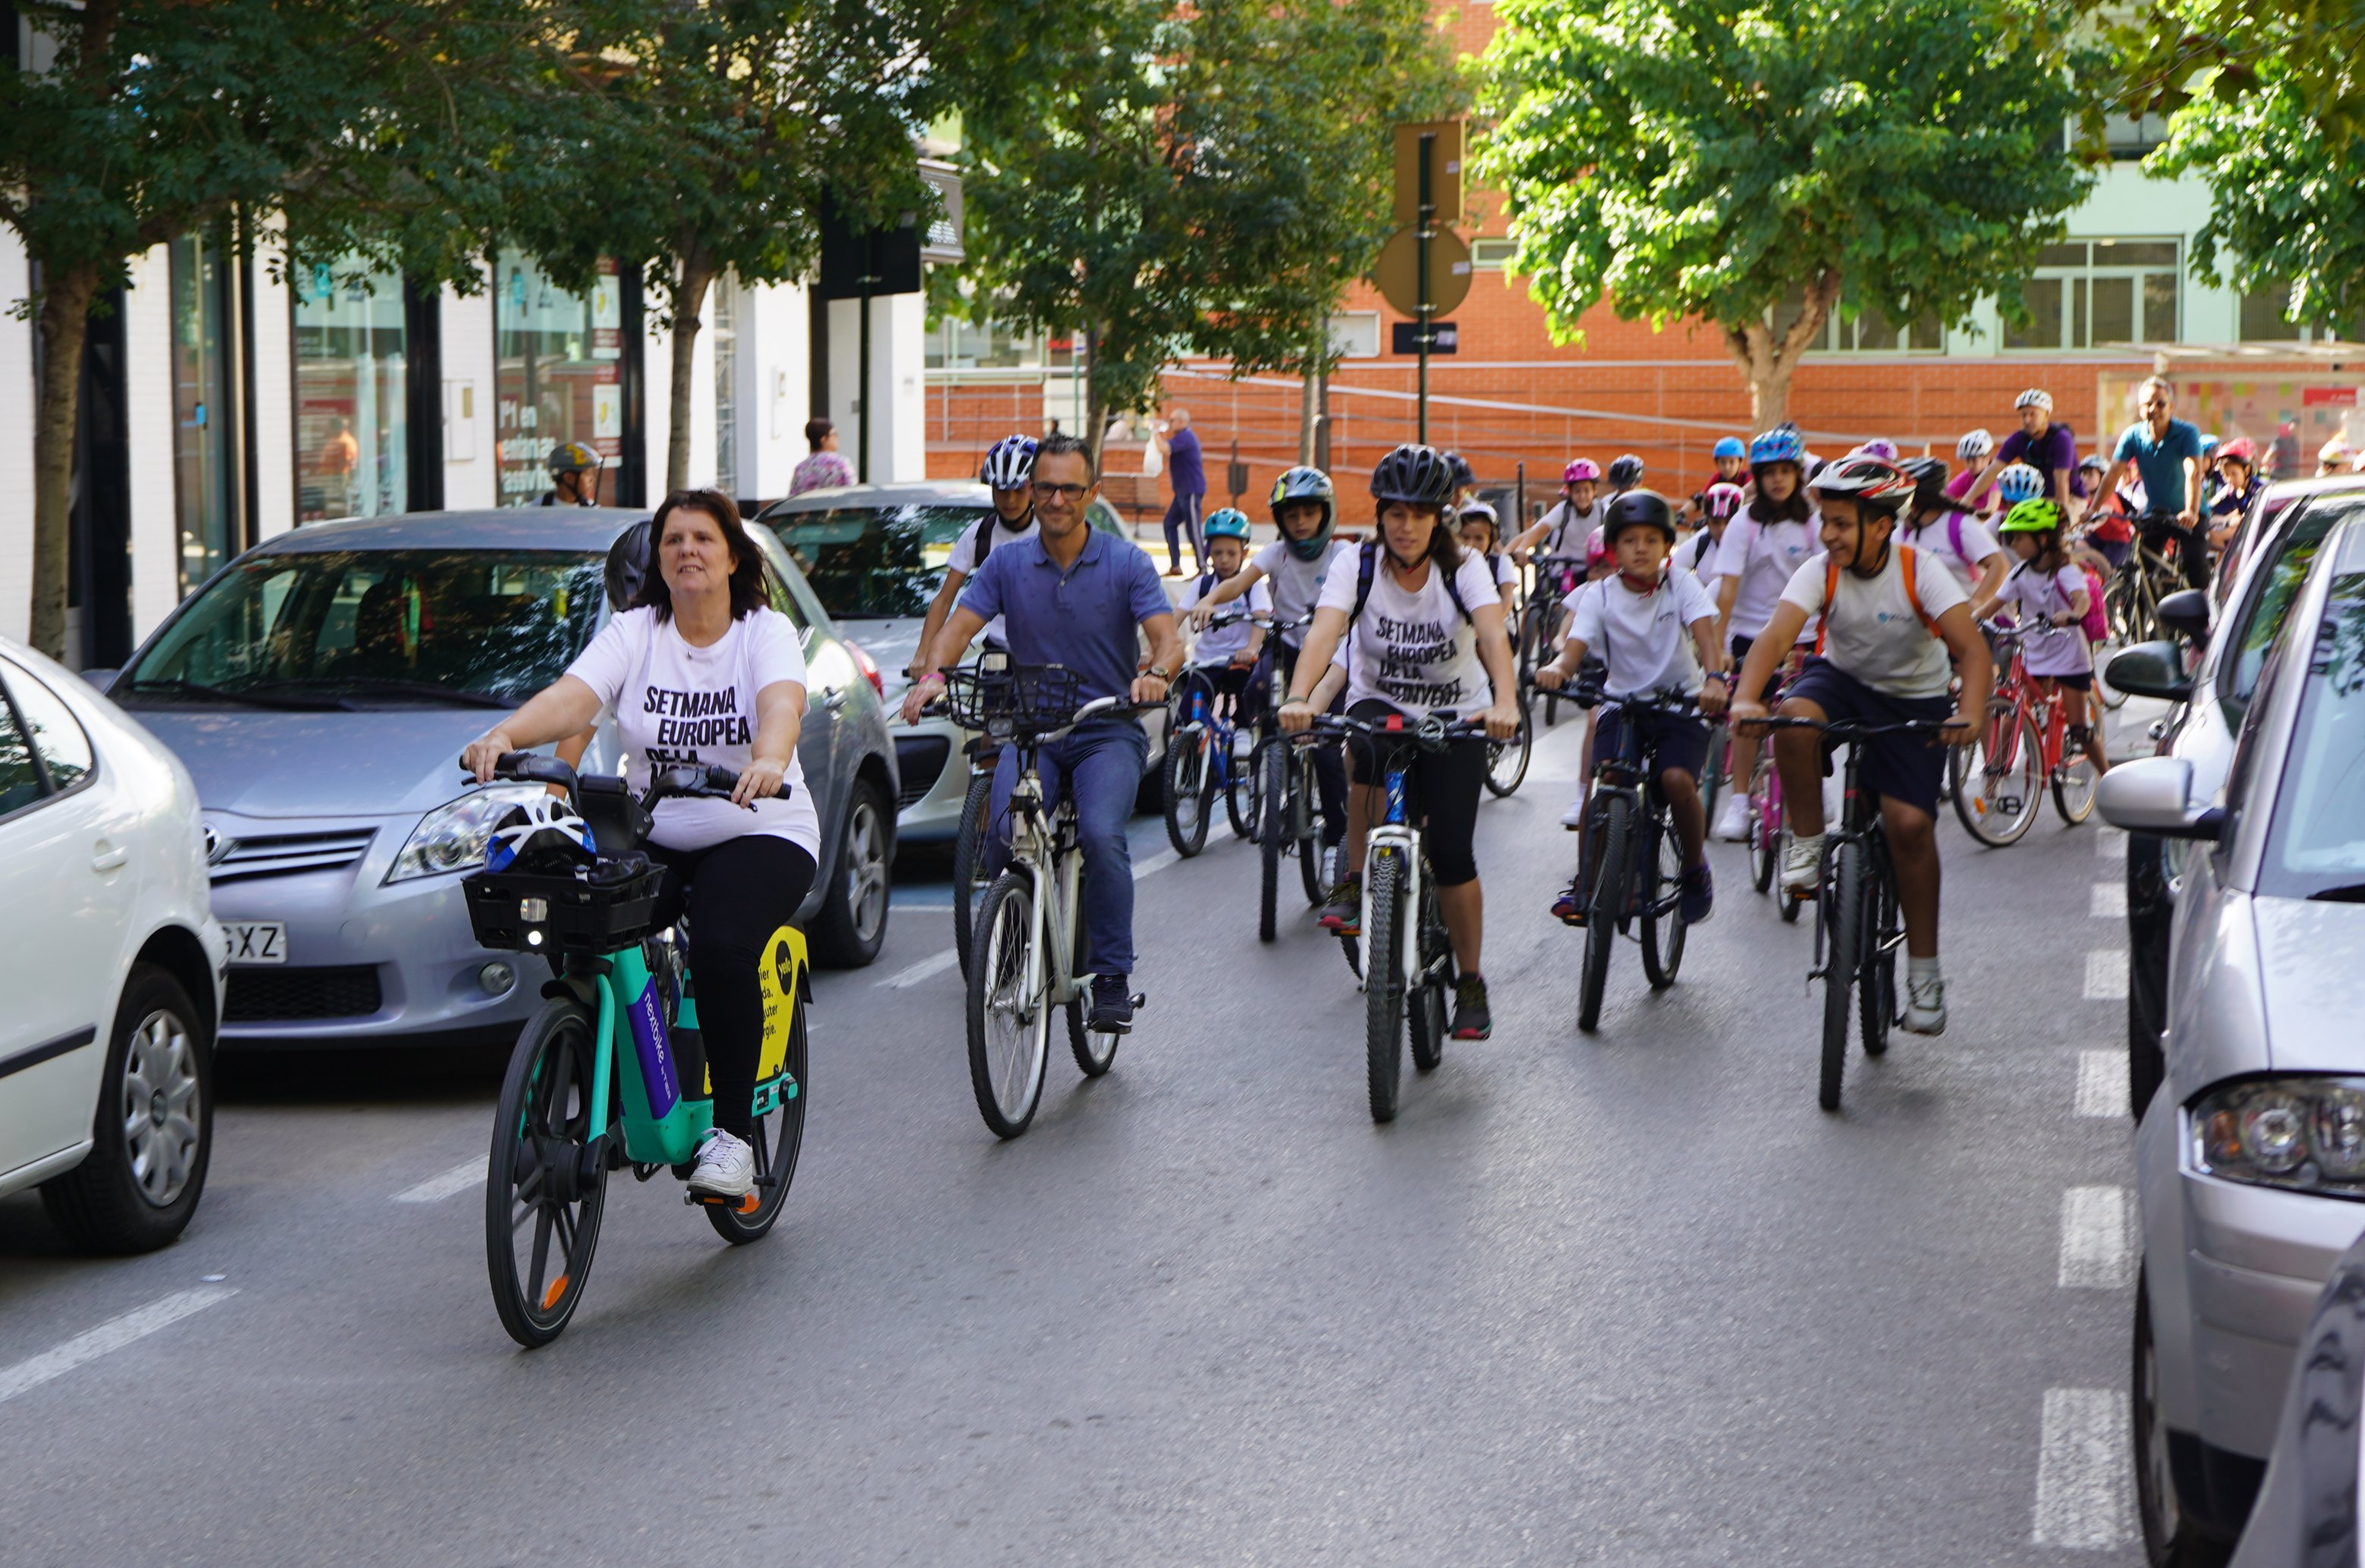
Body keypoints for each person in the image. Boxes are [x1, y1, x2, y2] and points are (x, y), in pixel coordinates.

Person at [462, 490, 819, 1198]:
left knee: (720, 943)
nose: (687, 549)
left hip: (761, 827)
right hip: (656, 828)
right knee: (580, 926)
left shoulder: (762, 630)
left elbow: (784, 703)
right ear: (657, 559)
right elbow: (575, 696)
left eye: (703, 539)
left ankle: (734, 1139)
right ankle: (594, 1097)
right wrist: (507, 734)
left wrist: (770, 757)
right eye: (673, 540)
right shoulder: (636, 629)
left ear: (732, 557)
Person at [901, 432, 1181, 1032]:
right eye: (1045, 486)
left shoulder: (1126, 561)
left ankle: (1110, 975)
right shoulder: (1005, 562)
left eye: (1068, 489)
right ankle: (1011, 945)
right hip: (1033, 732)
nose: (1055, 499)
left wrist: (1157, 671)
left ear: (1091, 493)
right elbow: (959, 625)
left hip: (1106, 728)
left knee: (1104, 836)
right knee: (1001, 837)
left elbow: (1167, 637)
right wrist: (934, 676)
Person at [1729, 455, 1992, 1035]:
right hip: (1842, 681)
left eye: (1842, 523)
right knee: (1793, 718)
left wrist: (1969, 713)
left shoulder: (1919, 569)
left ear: (1881, 524)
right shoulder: (1820, 570)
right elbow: (1775, 635)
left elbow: (1973, 651)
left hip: (1914, 701)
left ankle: (1925, 976)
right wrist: (1747, 699)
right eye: (1826, 521)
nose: (1828, 534)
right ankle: (1806, 843)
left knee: (1910, 830)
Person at [1279, 443, 1521, 1041]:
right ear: (1380, 514)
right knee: (1362, 747)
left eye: (1419, 513)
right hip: (1380, 700)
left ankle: (1469, 981)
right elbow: (1326, 630)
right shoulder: (1355, 564)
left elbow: (1492, 635)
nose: (1405, 526)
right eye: (1394, 513)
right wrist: (1299, 694)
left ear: (1439, 516)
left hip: (1457, 713)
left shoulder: (1464, 567)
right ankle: (1358, 881)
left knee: (1453, 851)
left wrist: (1506, 703)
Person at [1536, 490, 1728, 928]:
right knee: (1601, 780)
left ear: (1666, 546)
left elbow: (1707, 638)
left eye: (1650, 539)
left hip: (1681, 702)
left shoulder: (1681, 583)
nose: (1640, 548)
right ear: (1614, 549)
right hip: (1622, 704)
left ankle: (1695, 869)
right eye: (1629, 540)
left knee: (1677, 779)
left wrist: (1715, 680)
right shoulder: (1600, 594)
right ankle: (1586, 883)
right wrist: (1557, 667)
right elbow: (1574, 648)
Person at [1192, 465, 1354, 857]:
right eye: (1291, 514)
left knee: (1328, 753)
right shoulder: (1276, 554)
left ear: (1325, 512)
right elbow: (1239, 582)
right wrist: (1210, 598)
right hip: (1287, 650)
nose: (1300, 522)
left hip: (1331, 658)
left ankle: (1336, 841)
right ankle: (1269, 753)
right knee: (1255, 688)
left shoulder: (1342, 552)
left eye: (1309, 513)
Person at [1708, 424, 1817, 841]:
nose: (1777, 479)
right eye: (1769, 471)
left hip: (1804, 637)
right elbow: (1727, 590)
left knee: (1808, 720)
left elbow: (1829, 585)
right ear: (1757, 475)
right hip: (1751, 635)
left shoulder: (1813, 524)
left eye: (1786, 471)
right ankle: (1738, 803)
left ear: (1797, 474)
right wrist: (1717, 651)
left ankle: (1814, 789)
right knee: (1748, 717)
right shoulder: (1743, 525)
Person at [1972, 498, 2110, 785]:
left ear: (2043, 539)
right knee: (2011, 715)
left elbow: (2081, 599)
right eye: (2011, 537)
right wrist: (1971, 620)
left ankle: (2109, 779)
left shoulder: (2065, 571)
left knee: (2079, 730)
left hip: (2069, 655)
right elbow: (1994, 603)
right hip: (2035, 651)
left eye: (2019, 538)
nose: (2013, 544)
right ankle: (1992, 781)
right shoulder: (2020, 573)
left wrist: (2072, 615)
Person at [906, 434, 1039, 681]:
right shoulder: (980, 534)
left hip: (1046, 657)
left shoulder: (1049, 533)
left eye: (1018, 490)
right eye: (1001, 490)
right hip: (998, 655)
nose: (1009, 500)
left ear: (1034, 489)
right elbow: (944, 600)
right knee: (993, 717)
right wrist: (923, 653)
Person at [2093, 375, 2208, 590]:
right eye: (2148, 404)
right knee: (2141, 570)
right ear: (2140, 409)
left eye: (2161, 403)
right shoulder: (2132, 436)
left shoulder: (2187, 433)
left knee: (2195, 567)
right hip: (2157, 513)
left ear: (2171, 407)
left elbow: (2192, 471)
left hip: (2189, 515)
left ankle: (2206, 620)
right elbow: (2113, 473)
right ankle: (2148, 616)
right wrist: (2093, 509)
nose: (2154, 408)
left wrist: (2191, 511)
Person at [1179, 509, 1270, 721]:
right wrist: (1153, 648)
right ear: (1208, 552)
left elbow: (1261, 616)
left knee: (1249, 706)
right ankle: (1188, 746)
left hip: (1241, 661)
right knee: (1185, 716)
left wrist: (1251, 649)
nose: (1224, 559)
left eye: (1231, 553)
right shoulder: (1202, 585)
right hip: (1208, 660)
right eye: (1218, 553)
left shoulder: (1252, 585)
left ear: (1244, 553)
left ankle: (1244, 734)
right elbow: (1178, 614)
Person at [1899, 457, 2009, 602]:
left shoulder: (1959, 524)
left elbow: (2000, 565)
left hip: (1962, 615)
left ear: (1915, 503)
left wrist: (1976, 604)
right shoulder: (1902, 531)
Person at [1966, 390, 2082, 514]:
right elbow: (1992, 471)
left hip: (2070, 498)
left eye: (2033, 414)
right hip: (2037, 499)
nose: (2027, 420)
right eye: (2023, 415)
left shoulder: (2061, 439)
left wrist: (2060, 516)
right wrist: (1966, 501)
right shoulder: (2018, 439)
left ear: (2046, 414)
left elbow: (2062, 480)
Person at [1512, 459, 1604, 569]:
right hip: (1565, 570)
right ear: (1569, 492)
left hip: (1593, 568)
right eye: (1577, 491)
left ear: (1595, 490)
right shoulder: (1564, 510)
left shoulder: (1603, 510)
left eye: (1586, 490)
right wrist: (1522, 548)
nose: (1582, 496)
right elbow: (1540, 530)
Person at [1154, 408, 1208, 577]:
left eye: (1172, 420)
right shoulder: (1180, 438)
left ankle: (1203, 567)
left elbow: (1164, 449)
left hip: (1191, 490)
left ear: (1182, 422)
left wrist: (1155, 432)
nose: (1169, 424)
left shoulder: (1186, 437)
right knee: (1169, 523)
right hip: (1182, 492)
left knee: (1193, 529)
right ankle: (1175, 566)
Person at [1677, 482, 1746, 588]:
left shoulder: (1754, 545)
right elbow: (1672, 571)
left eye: (1728, 522)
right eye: (1715, 522)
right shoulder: (1701, 544)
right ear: (1707, 522)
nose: (1721, 529)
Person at [1458, 500, 1521, 615]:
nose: (1471, 544)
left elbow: (1507, 599)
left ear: (1491, 540)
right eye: (1465, 537)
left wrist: (1493, 626)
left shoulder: (1501, 562)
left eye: (1479, 538)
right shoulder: (1453, 564)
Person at [1678, 437, 1750, 527]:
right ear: (1717, 463)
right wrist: (1681, 513)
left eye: (1732, 462)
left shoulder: (1747, 478)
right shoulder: (1718, 478)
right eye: (1723, 462)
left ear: (1740, 463)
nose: (1727, 467)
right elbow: (1701, 498)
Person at [2208, 438, 2261, 553]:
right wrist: (2227, 519)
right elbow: (2210, 511)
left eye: (2234, 474)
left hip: (2254, 540)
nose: (2229, 479)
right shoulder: (2230, 490)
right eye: (2225, 475)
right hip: (2239, 537)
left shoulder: (2258, 491)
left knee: (2216, 536)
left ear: (2246, 470)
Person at [789, 418, 855, 496]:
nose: (837, 437)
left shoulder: (801, 468)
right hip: (836, 506)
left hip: (808, 507)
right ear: (823, 439)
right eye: (834, 434)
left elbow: (793, 497)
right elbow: (852, 493)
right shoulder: (841, 463)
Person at [1947, 430, 1996, 518]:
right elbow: (1945, 495)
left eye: (1974, 460)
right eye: (1967, 460)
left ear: (1987, 458)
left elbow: (1991, 509)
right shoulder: (1966, 477)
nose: (1970, 465)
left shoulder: (1995, 478)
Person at [539, 442, 603, 507]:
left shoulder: (593, 512)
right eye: (587, 473)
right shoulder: (536, 510)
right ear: (568, 477)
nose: (592, 479)